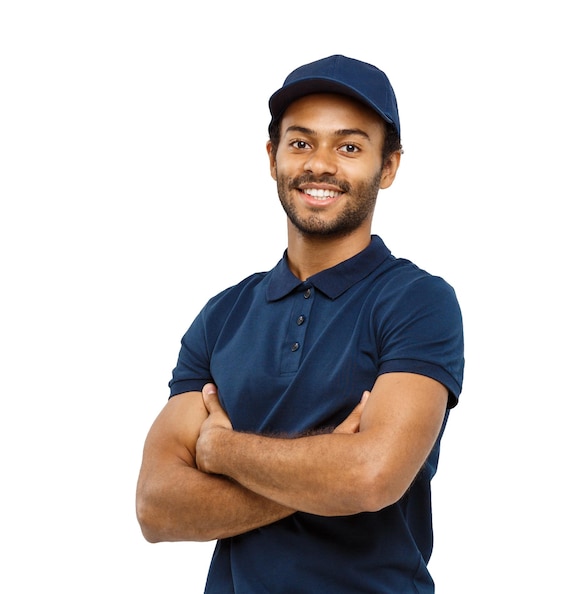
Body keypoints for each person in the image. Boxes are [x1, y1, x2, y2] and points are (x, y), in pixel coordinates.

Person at [136, 54, 464, 593]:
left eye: (350, 146)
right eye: (301, 142)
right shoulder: (222, 315)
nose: (321, 165)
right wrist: (322, 471)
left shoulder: (418, 302)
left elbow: (370, 476)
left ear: (388, 167)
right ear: (273, 157)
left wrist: (222, 453)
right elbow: (156, 506)